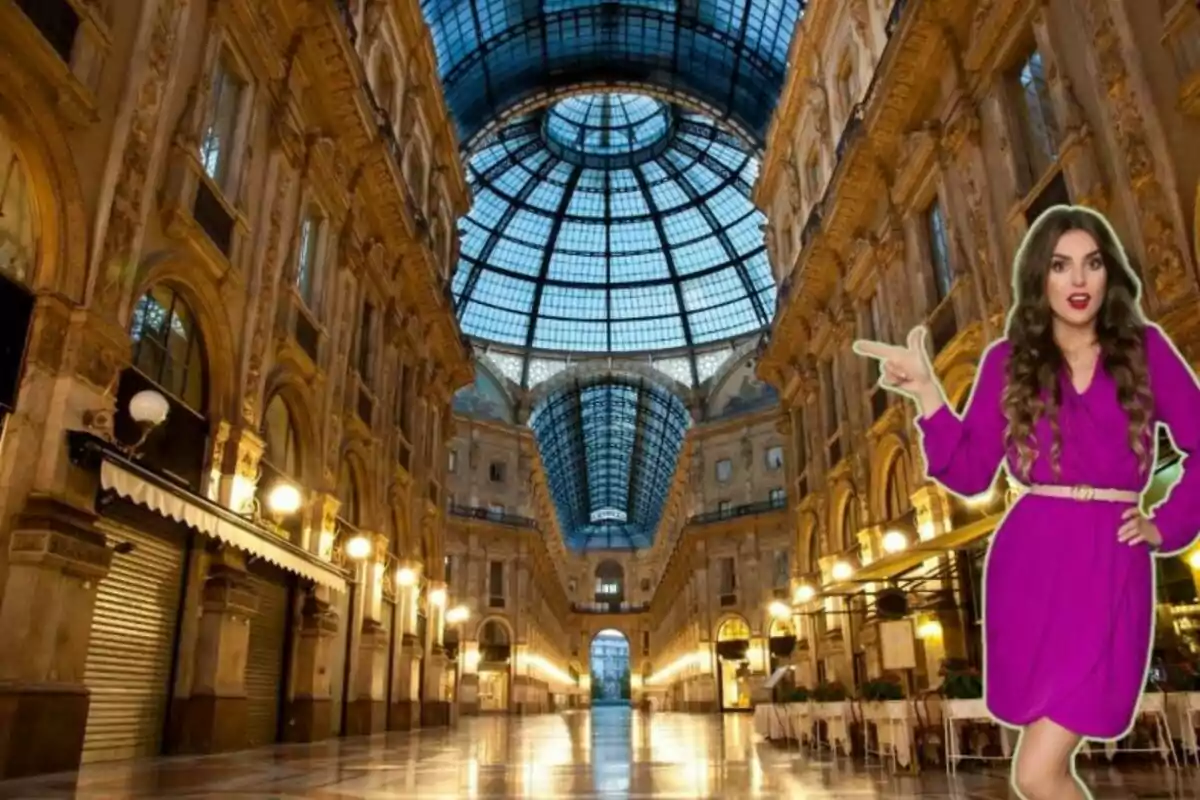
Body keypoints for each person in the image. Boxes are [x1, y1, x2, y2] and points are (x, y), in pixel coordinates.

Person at [853, 205, 1200, 800]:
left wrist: (1166, 525)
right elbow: (967, 472)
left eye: (1092, 263)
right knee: (1041, 769)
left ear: (1109, 272)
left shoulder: (1146, 350)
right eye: (1061, 266)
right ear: (1039, 278)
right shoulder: (1005, 362)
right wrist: (928, 395)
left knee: (1037, 771)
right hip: (1030, 560)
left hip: (1110, 558)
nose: (1079, 281)